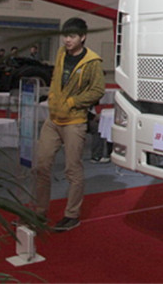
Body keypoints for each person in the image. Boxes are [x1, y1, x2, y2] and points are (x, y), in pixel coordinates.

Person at [34, 18, 104, 232]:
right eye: (65, 36)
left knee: (72, 170)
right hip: (53, 119)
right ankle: (38, 212)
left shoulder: (92, 62)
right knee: (41, 166)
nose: (67, 40)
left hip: (74, 122)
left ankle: (72, 214)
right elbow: (56, 78)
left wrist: (73, 102)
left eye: (72, 36)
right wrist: (54, 99)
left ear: (82, 37)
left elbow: (97, 90)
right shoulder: (61, 53)